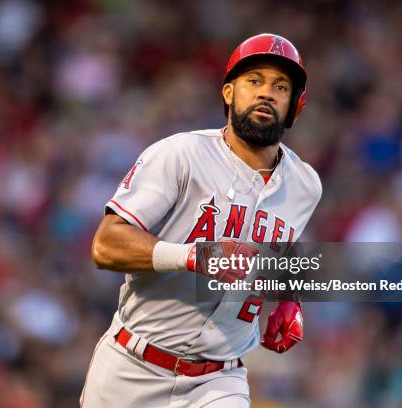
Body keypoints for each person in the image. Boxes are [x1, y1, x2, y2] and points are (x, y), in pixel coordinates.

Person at [80, 33, 322, 407]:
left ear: (295, 106)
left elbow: (283, 244)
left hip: (219, 380)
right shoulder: (180, 155)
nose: (266, 93)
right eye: (253, 80)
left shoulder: (306, 185)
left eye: (281, 86)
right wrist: (192, 256)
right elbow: (106, 244)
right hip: (133, 366)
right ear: (228, 92)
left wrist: (290, 299)